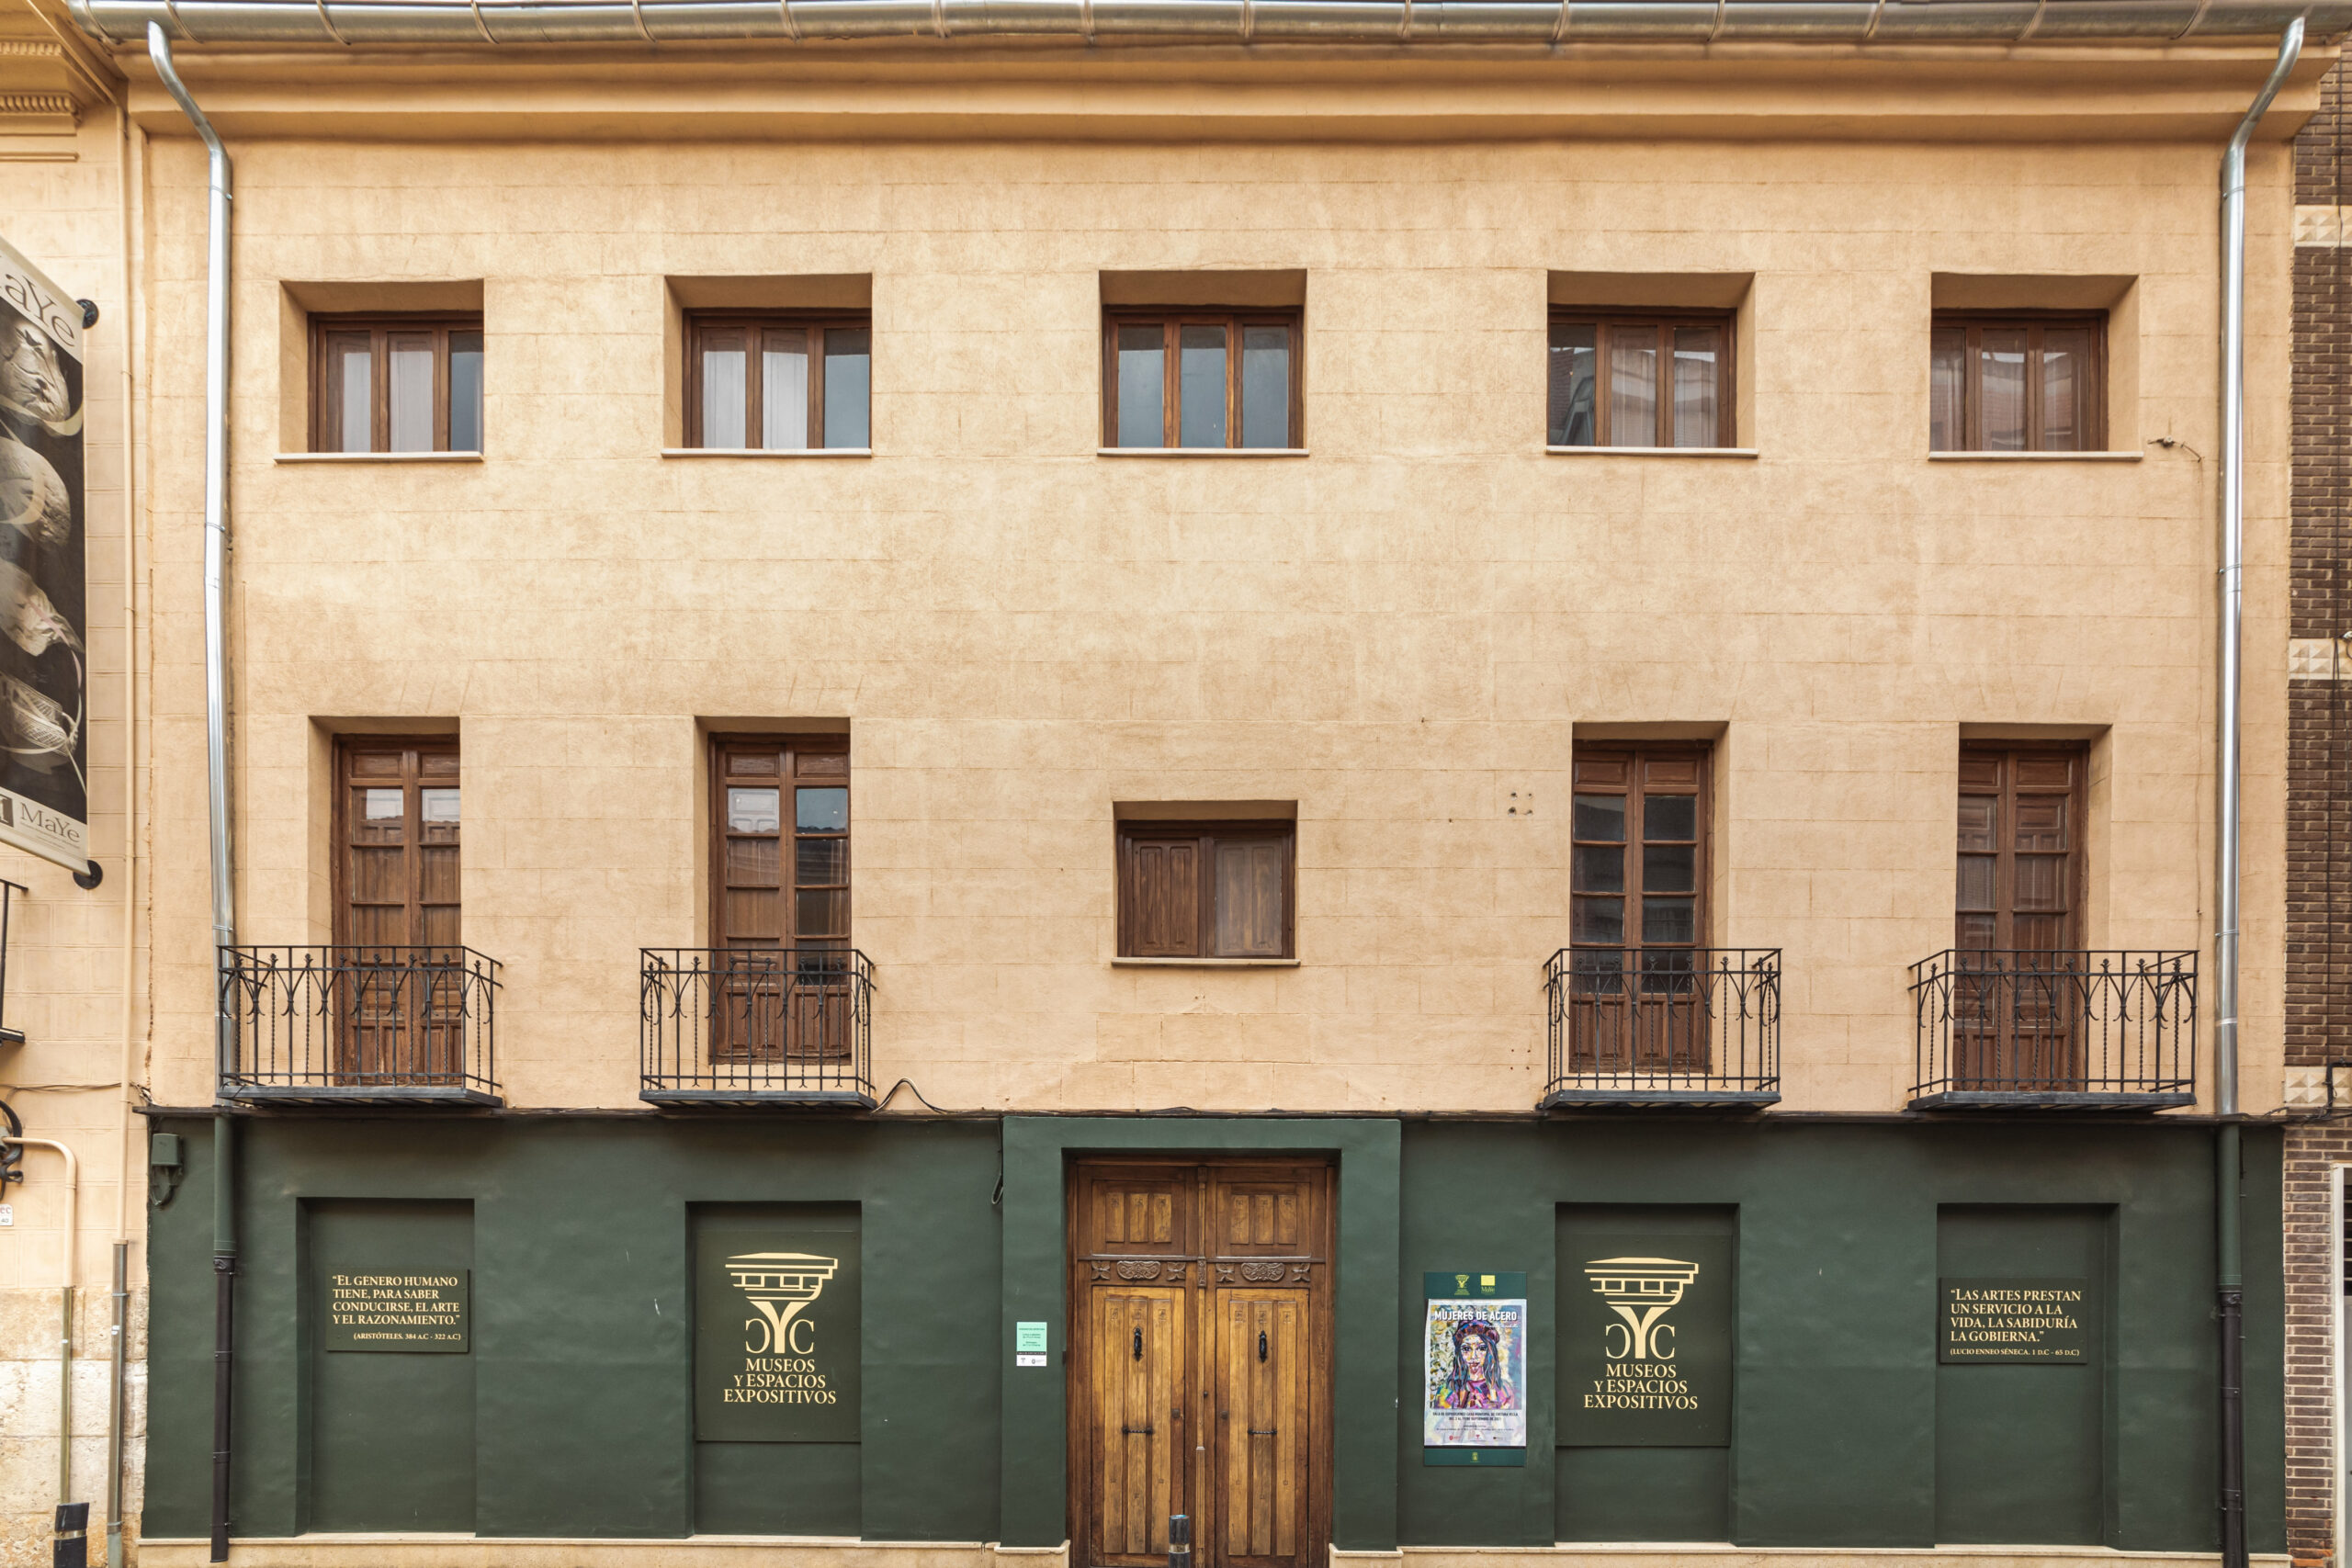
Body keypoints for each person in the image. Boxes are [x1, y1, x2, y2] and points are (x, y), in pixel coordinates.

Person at [1437, 1317, 1512, 1410]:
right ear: (1459, 1353)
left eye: (1481, 1348)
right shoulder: (1448, 1390)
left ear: (1490, 1352)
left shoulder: (1504, 1390)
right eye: (1466, 1349)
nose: (1473, 1356)